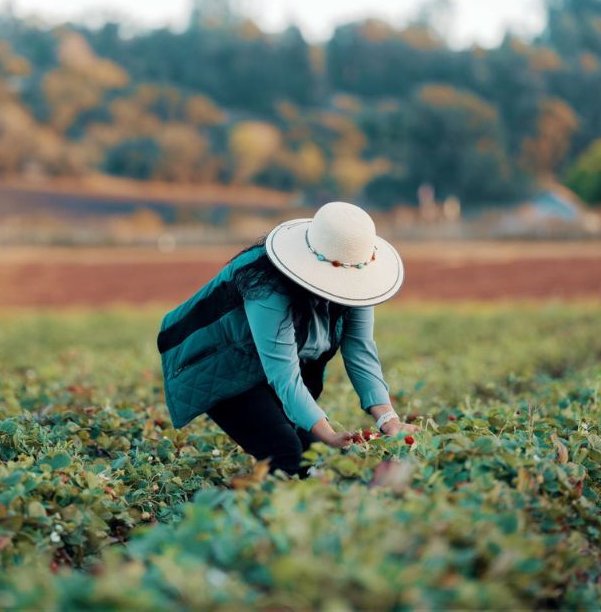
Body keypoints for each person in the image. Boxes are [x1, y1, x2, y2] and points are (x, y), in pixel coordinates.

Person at [156, 201, 419, 478]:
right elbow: (283, 374)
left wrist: (389, 420)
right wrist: (328, 433)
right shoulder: (266, 286)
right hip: (220, 365)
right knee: (287, 453)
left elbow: (360, 350)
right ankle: (257, 512)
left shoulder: (358, 280)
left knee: (316, 457)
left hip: (266, 363)